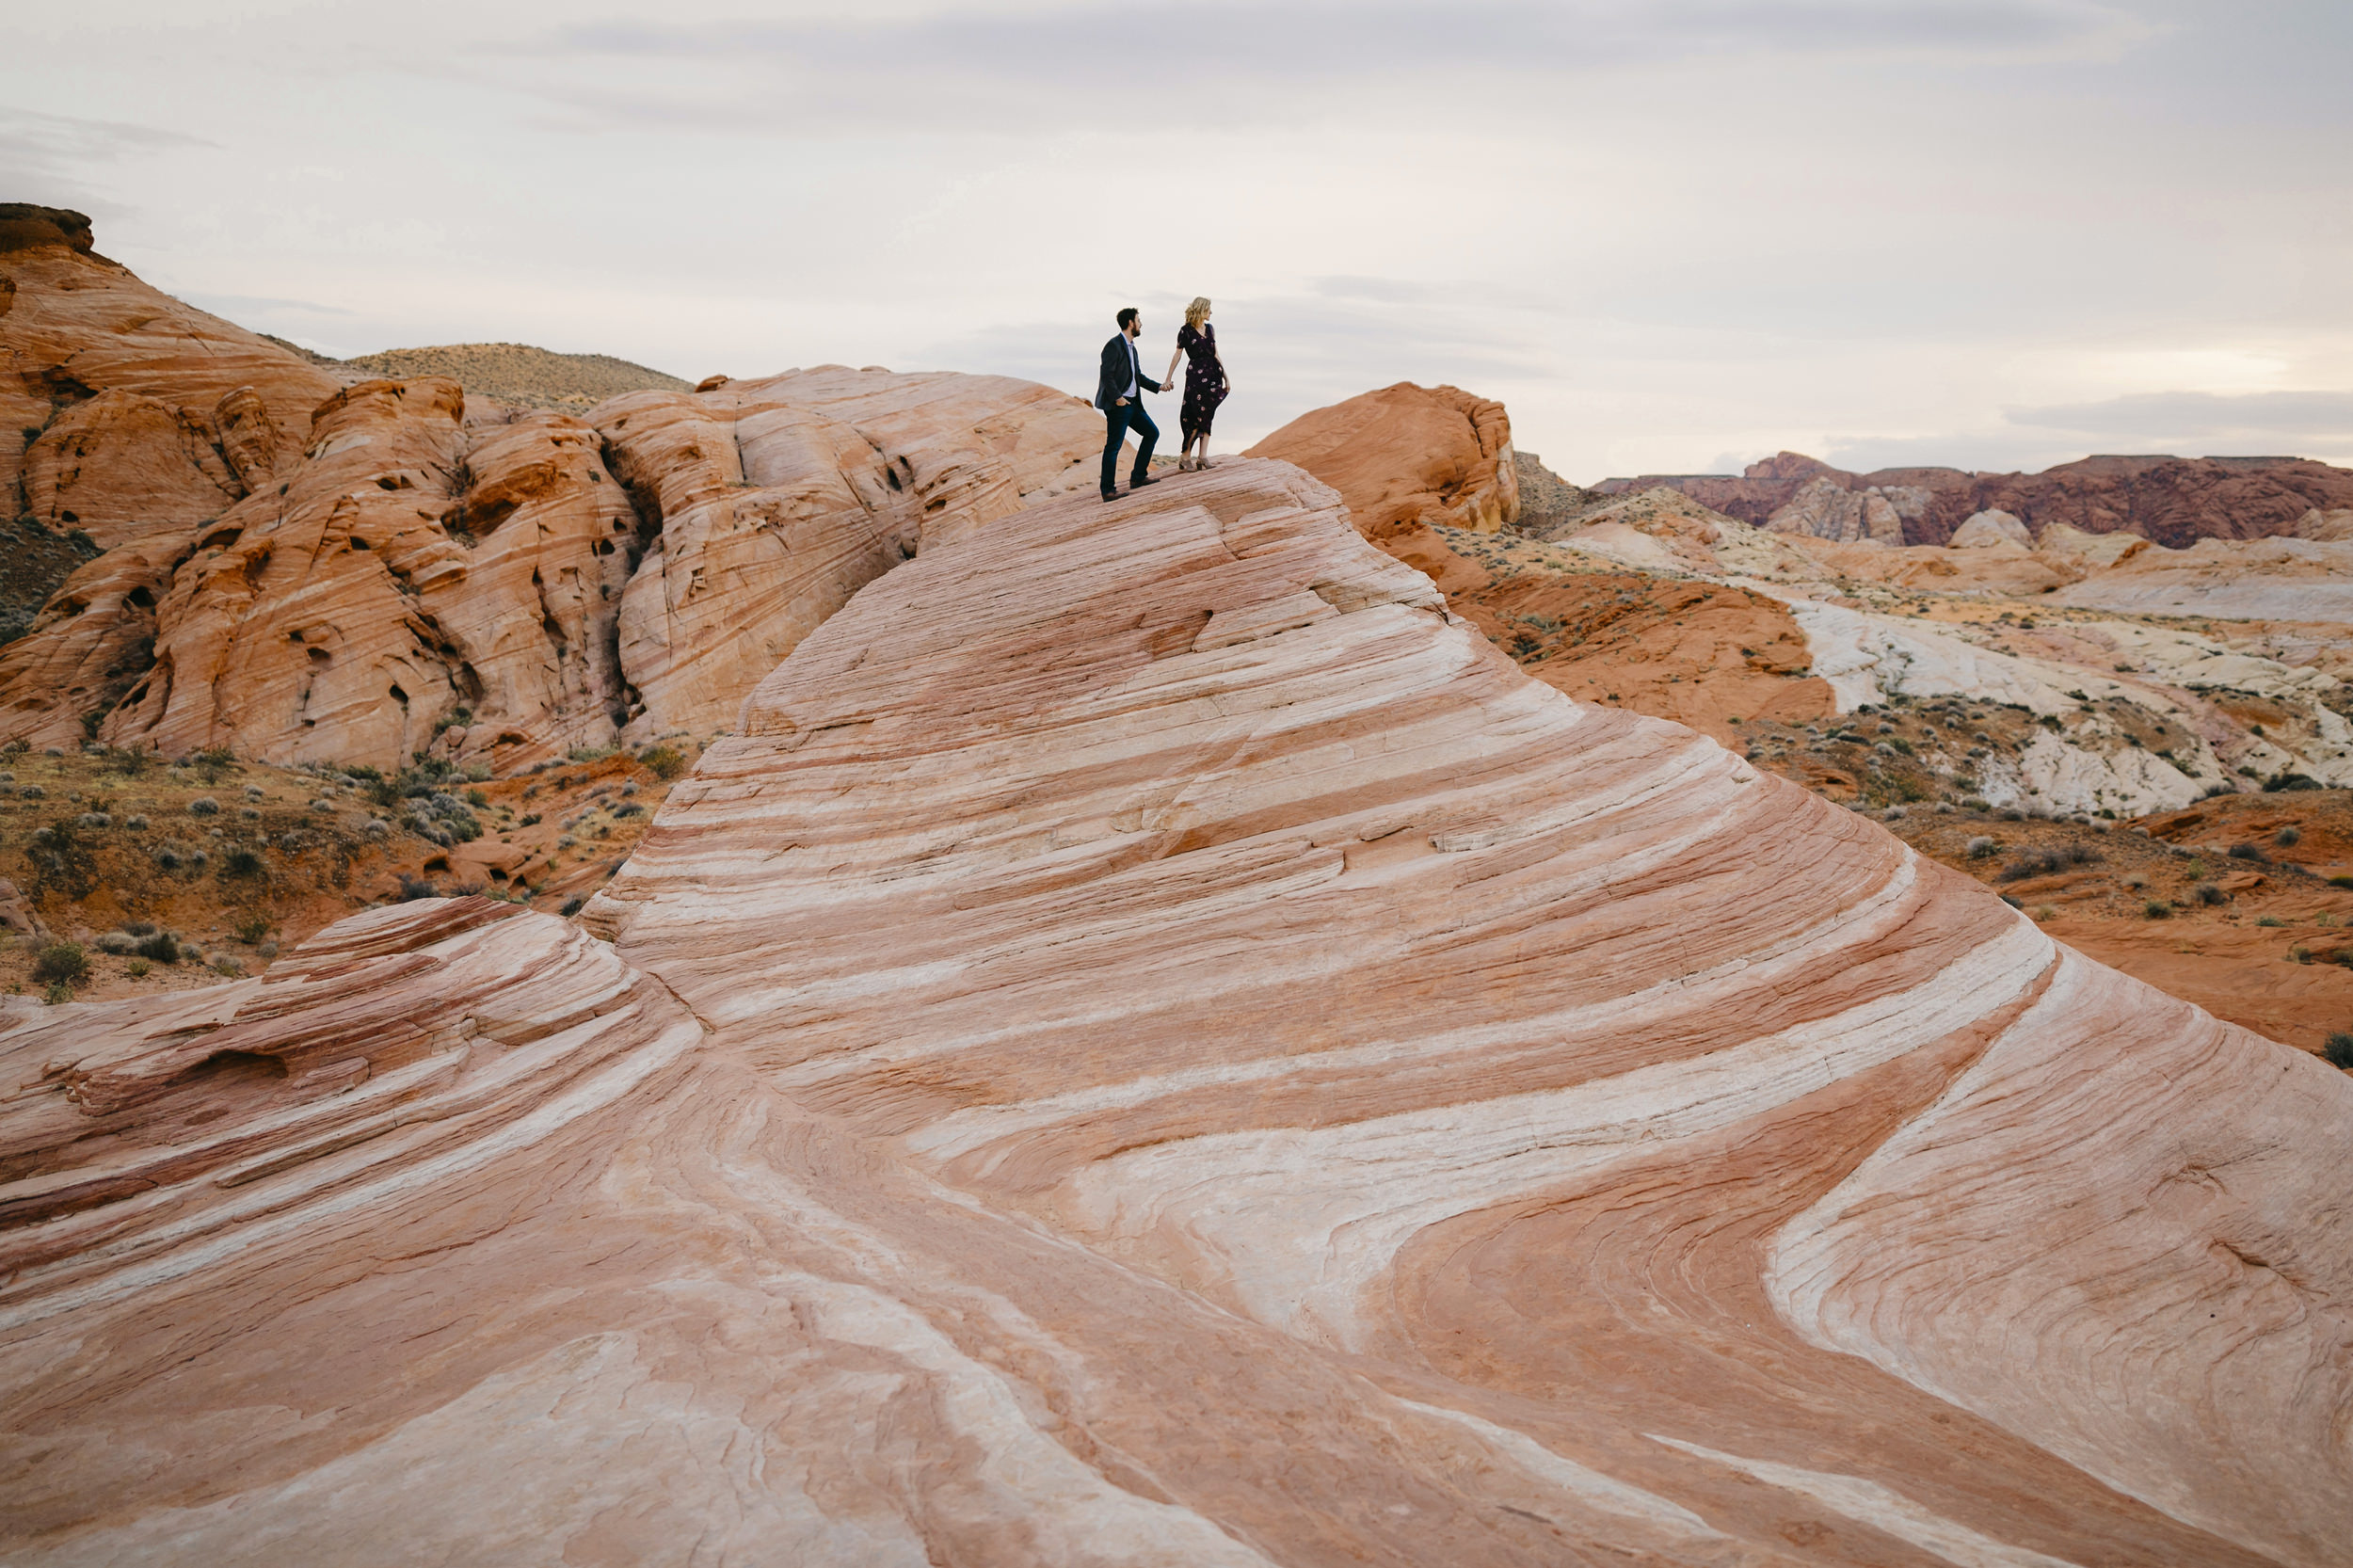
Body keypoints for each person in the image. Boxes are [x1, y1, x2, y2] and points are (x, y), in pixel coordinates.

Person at [1094, 307, 1167, 502]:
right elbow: (1106, 375)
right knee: (1114, 447)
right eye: (1138, 320)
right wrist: (1117, 397)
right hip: (1119, 405)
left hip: (1133, 404)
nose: (1141, 323)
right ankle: (1108, 490)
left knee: (1152, 433)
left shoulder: (1132, 348)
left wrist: (1159, 387)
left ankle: (1138, 477)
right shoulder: (1113, 345)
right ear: (1130, 323)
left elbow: (1138, 377)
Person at [1164, 297, 1231, 471]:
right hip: (1195, 376)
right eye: (1209, 309)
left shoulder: (1210, 329)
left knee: (1208, 413)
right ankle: (1185, 457)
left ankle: (1202, 457)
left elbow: (1216, 354)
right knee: (1193, 415)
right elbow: (1177, 355)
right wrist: (1168, 378)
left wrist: (1226, 376)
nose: (1211, 313)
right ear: (1201, 310)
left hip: (1213, 375)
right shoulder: (1185, 331)